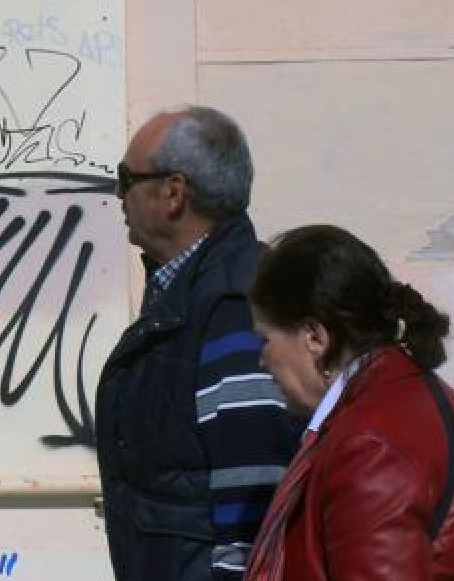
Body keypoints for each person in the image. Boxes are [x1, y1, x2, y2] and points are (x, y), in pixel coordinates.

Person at [97, 106, 300, 581]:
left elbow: (254, 481)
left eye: (126, 179)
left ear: (173, 193)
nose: (118, 196)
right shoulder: (188, 291)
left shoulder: (234, 303)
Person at [245, 224, 454, 580]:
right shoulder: (397, 401)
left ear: (314, 336)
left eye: (265, 340)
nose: (261, 360)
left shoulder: (371, 444)